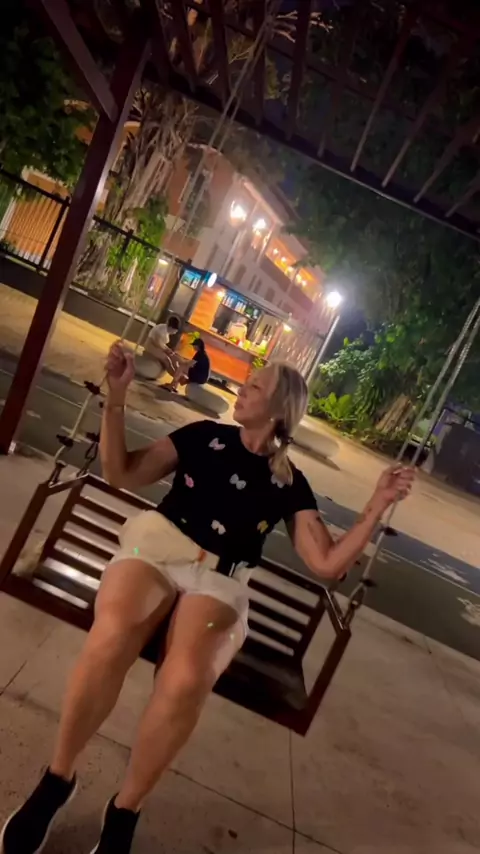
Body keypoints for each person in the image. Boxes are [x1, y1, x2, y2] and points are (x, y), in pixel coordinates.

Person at [1, 343, 414, 854]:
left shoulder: (288, 483)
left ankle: (125, 809)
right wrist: (117, 396)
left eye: (255, 386)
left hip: (219, 580)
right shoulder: (202, 437)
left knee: (187, 679)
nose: (243, 387)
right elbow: (122, 473)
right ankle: (57, 779)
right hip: (154, 551)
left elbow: (326, 563)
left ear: (279, 408)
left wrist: (376, 506)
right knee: (112, 634)